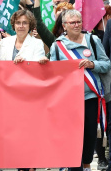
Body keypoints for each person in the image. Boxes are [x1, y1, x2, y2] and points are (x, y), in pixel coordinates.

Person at [50, 10, 110, 171]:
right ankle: (72, 166)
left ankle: (87, 164)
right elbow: (52, 73)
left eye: (78, 22)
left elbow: (106, 64)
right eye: (72, 23)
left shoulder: (92, 39)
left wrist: (92, 65)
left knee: (90, 133)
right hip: (68, 99)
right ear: (64, 26)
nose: (76, 25)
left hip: (90, 96)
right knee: (71, 135)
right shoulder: (57, 46)